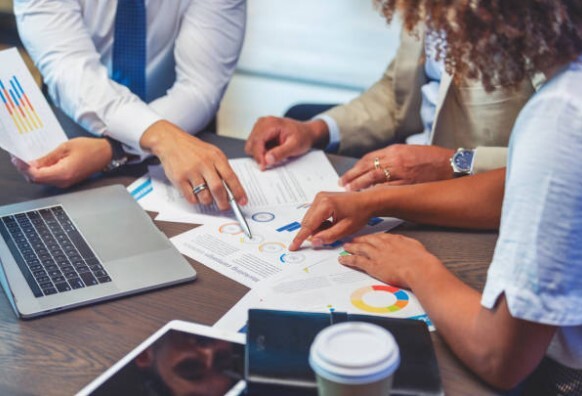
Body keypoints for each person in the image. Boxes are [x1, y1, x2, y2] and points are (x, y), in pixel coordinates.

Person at [289, 0, 582, 391]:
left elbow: (499, 356)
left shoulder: (560, 117)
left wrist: (416, 267)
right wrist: (377, 201)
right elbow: (514, 184)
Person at [12, 0, 248, 211]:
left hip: (182, 132)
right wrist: (160, 136)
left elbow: (200, 86)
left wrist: (113, 150)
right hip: (73, 135)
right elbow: (71, 71)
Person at [245, 21, 537, 190]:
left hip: (483, 199)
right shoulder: (423, 8)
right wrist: (315, 129)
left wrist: (454, 163)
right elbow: (397, 95)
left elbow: (566, 161)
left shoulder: (547, 18)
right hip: (410, 187)